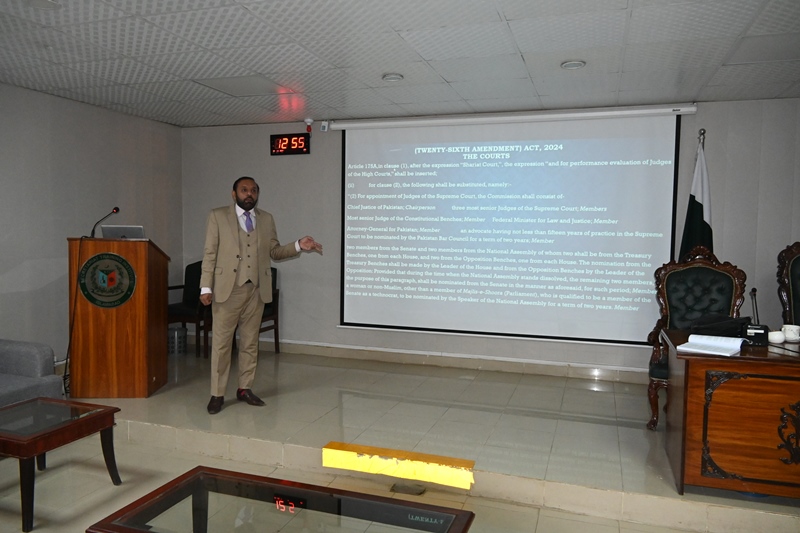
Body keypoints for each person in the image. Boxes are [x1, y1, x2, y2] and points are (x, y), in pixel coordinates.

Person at [199, 176, 321, 414]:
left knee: (250, 343)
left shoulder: (266, 219)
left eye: (253, 190)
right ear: (234, 194)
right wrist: (206, 287)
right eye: (244, 190)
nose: (249, 194)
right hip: (227, 289)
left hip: (257, 289)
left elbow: (274, 251)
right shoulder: (218, 216)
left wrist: (298, 245)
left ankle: (244, 388)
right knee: (222, 345)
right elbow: (210, 252)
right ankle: (217, 393)